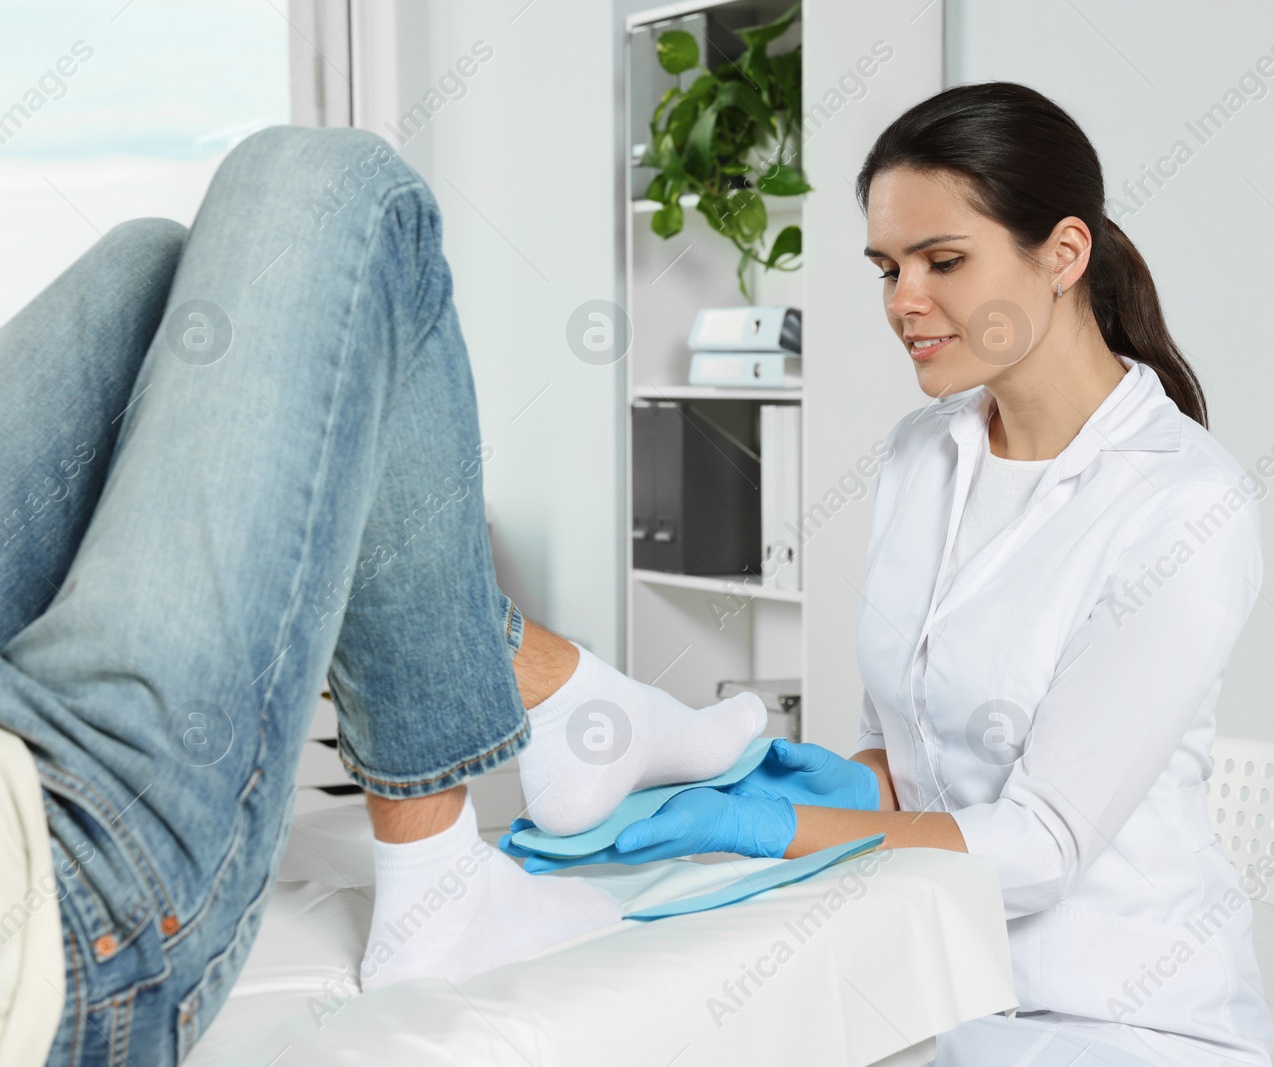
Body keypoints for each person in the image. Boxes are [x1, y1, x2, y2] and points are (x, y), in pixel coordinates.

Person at [521, 82, 1274, 1066]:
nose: (902, 302)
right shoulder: (922, 452)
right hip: (931, 981)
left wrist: (776, 827)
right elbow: (905, 755)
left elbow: (1042, 844)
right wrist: (798, 781)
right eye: (886, 267)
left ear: (1063, 253)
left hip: (1114, 1016)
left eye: (942, 262)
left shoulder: (1183, 505)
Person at [0, 125, 769, 1067]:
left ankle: (572, 699)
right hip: (48, 886)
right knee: (332, 191)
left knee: (147, 276)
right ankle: (449, 863)